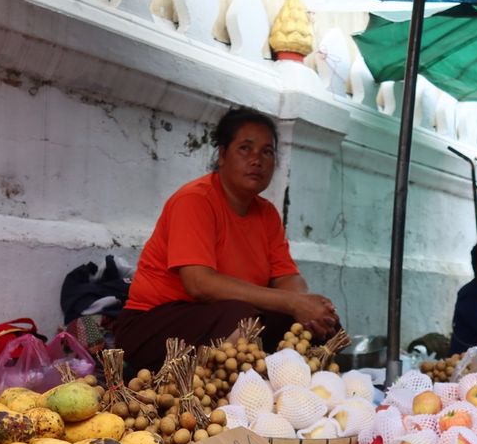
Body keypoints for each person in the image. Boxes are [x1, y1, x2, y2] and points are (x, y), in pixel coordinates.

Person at [113, 107, 338, 372]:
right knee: (244, 322)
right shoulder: (195, 200)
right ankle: (216, 385)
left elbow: (287, 277)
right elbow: (199, 284)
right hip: (153, 325)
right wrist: (291, 303)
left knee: (324, 328)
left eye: (267, 152)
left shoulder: (267, 214)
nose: (256, 160)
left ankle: (291, 387)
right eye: (245, 148)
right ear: (222, 155)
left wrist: (308, 307)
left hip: (223, 316)